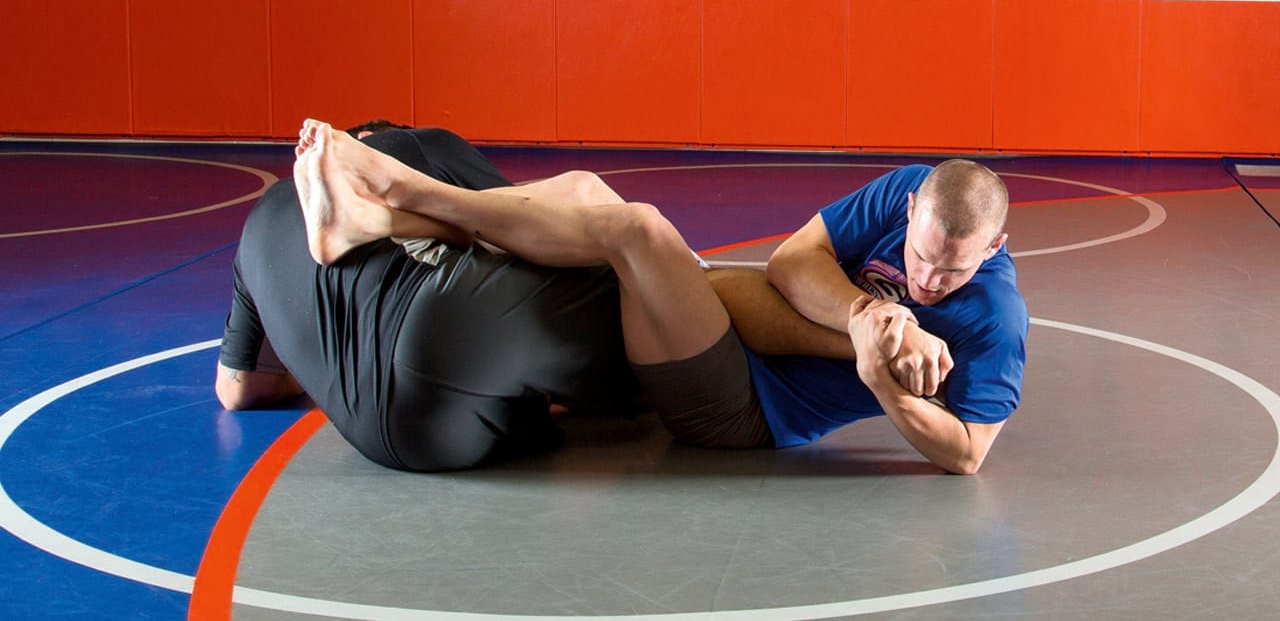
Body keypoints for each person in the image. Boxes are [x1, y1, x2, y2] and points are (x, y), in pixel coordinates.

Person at [294, 119, 1028, 475]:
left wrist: (886, 387)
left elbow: (967, 455)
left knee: (638, 231)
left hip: (742, 409)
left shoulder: (994, 320)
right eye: (921, 258)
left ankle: (397, 194)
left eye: (951, 274)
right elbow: (792, 259)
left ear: (992, 251)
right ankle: (380, 220)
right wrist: (867, 314)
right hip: (723, 322)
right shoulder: (906, 191)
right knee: (583, 192)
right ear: (911, 215)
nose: (929, 282)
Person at [215, 125, 643, 472]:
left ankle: (378, 224)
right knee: (589, 216)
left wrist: (318, 358)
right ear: (366, 145)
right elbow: (535, 232)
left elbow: (237, 390)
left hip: (388, 440)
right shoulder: (418, 144)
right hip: (453, 348)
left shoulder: (259, 226)